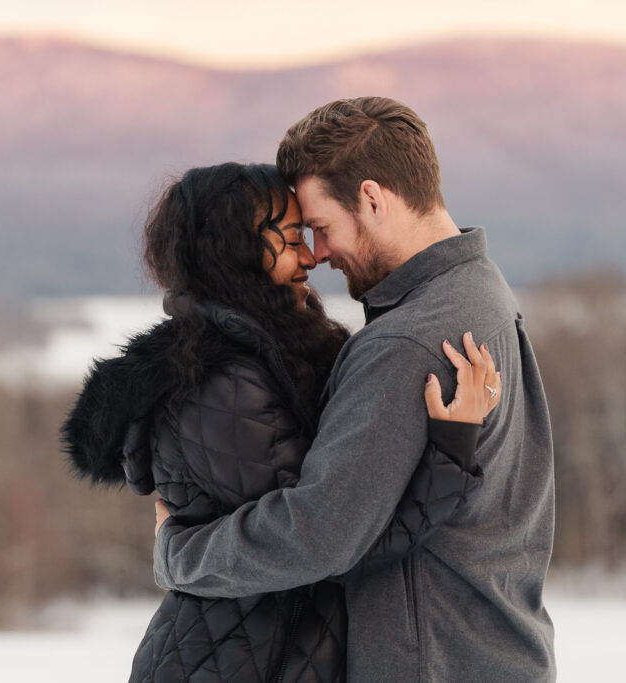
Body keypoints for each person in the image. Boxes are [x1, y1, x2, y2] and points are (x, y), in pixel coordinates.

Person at [152, 98, 557, 682]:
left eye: (320, 228)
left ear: (371, 198)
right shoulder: (479, 288)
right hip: (492, 653)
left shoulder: (408, 343)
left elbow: (317, 533)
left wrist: (180, 554)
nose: (316, 255)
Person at [61, 162, 502, 682]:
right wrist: (450, 452)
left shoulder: (280, 354)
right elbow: (330, 540)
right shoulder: (220, 384)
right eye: (292, 236)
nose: (311, 256)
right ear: (235, 249)